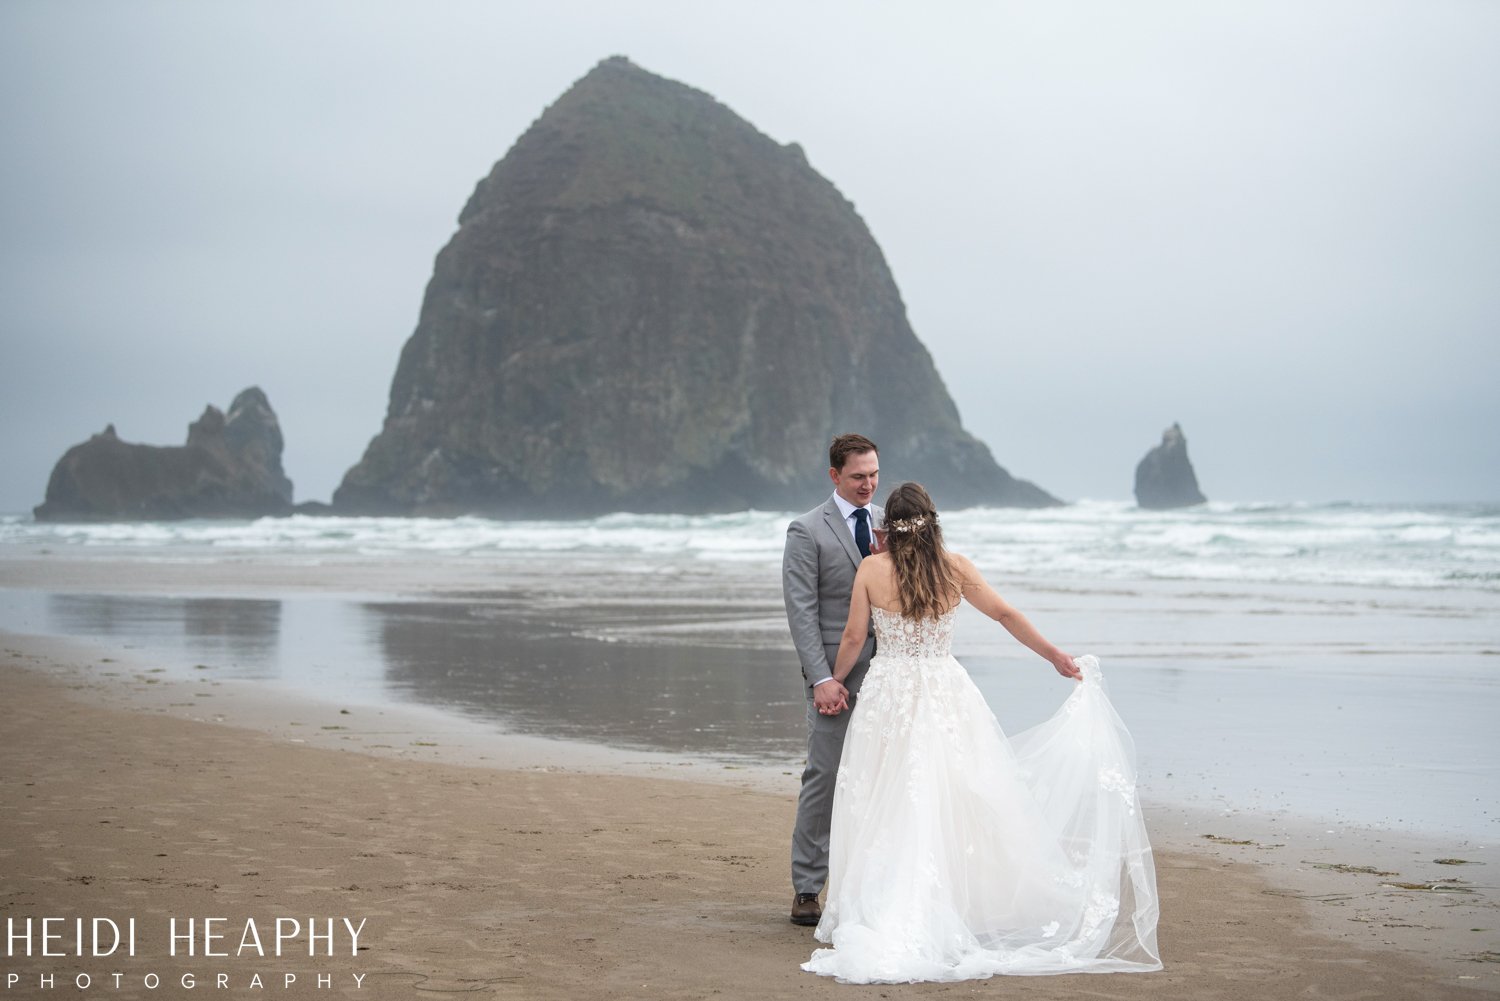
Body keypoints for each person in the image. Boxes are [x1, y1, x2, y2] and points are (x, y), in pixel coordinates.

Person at [802, 482, 1161, 983]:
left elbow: (854, 636)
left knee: (886, 790)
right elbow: (1005, 615)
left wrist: (834, 682)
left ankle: (893, 898)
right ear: (934, 520)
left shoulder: (872, 569)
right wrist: (1055, 655)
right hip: (947, 689)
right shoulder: (957, 567)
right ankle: (951, 898)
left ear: (888, 529)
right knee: (956, 788)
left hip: (890, 693)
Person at [781, 433, 884, 927]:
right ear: (834, 476)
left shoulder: (891, 524)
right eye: (858, 476)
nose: (868, 485)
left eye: (874, 475)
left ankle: (876, 885)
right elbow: (801, 612)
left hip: (891, 672)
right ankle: (807, 887)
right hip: (833, 677)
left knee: (887, 777)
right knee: (823, 776)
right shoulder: (806, 530)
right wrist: (821, 678)